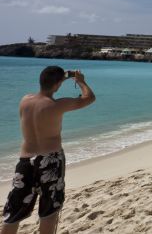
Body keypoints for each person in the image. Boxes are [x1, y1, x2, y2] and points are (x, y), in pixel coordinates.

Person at [1, 66, 95, 234]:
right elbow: (89, 98)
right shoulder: (58, 105)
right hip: (50, 160)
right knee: (49, 210)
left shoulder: (25, 100)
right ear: (58, 84)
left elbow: (50, 84)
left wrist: (62, 77)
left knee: (14, 210)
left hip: (25, 161)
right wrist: (80, 81)